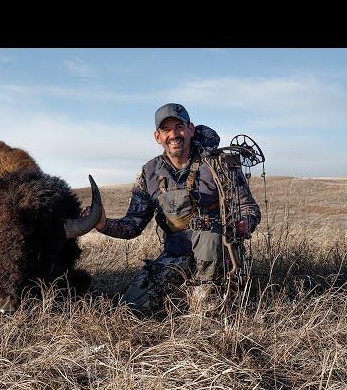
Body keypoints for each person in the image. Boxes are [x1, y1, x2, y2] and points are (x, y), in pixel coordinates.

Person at [81, 103, 261, 316]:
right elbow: (133, 225)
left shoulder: (219, 163)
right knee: (131, 309)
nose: (174, 134)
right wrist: (103, 224)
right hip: (175, 254)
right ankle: (184, 293)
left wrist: (245, 222)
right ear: (157, 136)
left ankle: (209, 302)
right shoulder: (149, 173)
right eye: (166, 130)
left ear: (191, 129)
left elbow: (249, 208)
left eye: (179, 126)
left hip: (218, 255)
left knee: (206, 309)